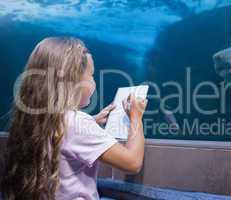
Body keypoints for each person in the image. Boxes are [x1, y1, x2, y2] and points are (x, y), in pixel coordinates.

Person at [0, 37, 147, 200]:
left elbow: (64, 136)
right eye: (91, 76)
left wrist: (93, 121)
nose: (93, 82)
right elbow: (132, 163)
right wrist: (136, 117)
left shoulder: (34, 116)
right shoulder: (76, 122)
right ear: (72, 81)